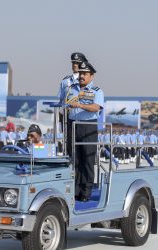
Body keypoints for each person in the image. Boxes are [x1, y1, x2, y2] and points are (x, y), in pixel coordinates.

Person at [62, 61, 104, 202]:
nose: (81, 76)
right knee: (75, 160)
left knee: (87, 160)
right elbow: (65, 102)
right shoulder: (72, 89)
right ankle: (75, 191)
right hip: (73, 126)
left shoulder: (97, 91)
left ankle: (86, 192)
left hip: (88, 126)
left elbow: (96, 107)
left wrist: (79, 104)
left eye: (85, 74)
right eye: (80, 73)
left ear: (91, 76)